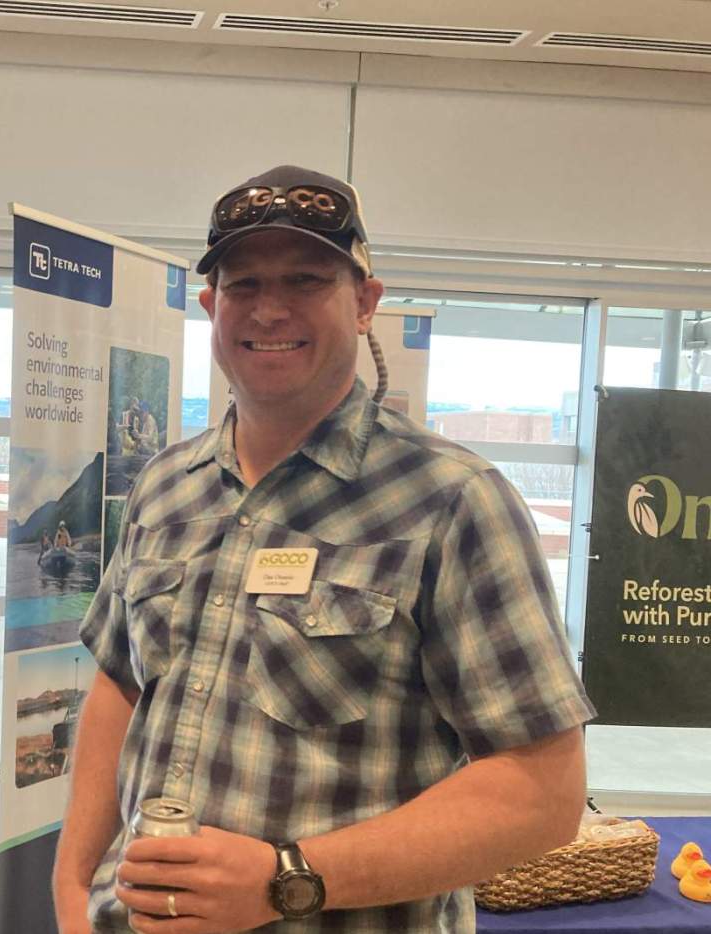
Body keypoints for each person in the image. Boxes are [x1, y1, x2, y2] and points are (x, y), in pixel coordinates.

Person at [52, 166, 595, 933]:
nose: (270, 309)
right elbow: (121, 684)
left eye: (307, 280)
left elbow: (542, 793)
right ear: (211, 306)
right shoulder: (167, 483)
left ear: (366, 302)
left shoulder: (451, 499)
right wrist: (74, 893)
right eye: (244, 284)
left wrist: (286, 880)